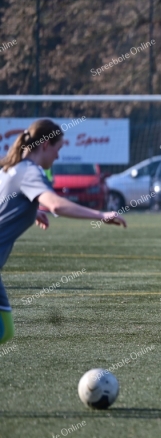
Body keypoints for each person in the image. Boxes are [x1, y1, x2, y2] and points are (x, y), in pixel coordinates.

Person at [0, 119, 127, 345]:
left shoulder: (11, 169)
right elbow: (56, 205)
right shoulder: (30, 172)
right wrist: (100, 215)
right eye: (58, 149)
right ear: (46, 144)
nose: (58, 156)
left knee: (5, 331)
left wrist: (30, 210)